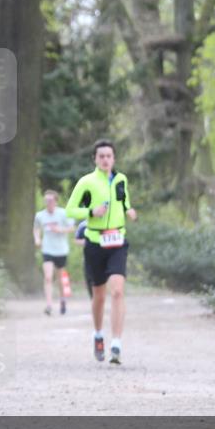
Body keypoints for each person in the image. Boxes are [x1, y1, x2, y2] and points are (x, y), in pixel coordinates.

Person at [65, 140, 137, 364]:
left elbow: (123, 202)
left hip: (118, 240)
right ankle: (98, 335)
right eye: (101, 156)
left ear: (114, 159)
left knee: (117, 291)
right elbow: (70, 210)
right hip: (95, 242)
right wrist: (91, 211)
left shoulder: (121, 179)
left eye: (109, 156)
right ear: (95, 159)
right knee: (99, 296)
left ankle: (116, 343)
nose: (106, 159)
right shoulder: (87, 182)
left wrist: (130, 210)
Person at [33, 190, 75, 315]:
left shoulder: (63, 214)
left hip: (61, 250)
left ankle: (62, 300)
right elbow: (36, 228)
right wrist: (37, 238)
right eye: (46, 200)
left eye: (51, 200)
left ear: (56, 201)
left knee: (60, 279)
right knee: (48, 277)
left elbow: (72, 228)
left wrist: (60, 230)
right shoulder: (40, 215)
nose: (48, 203)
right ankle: (49, 305)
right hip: (47, 249)